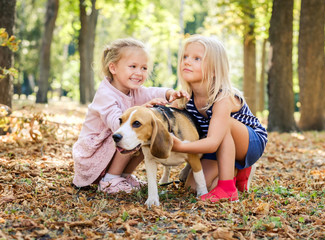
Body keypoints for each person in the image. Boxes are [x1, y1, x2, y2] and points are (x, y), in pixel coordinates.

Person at [73, 38, 189, 194]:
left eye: (144, 68)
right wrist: (141, 110)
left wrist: (170, 93)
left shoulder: (134, 89)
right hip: (93, 154)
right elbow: (117, 124)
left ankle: (124, 176)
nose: (139, 73)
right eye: (133, 66)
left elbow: (152, 92)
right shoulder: (105, 94)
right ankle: (110, 180)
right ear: (113, 68)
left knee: (144, 132)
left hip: (111, 150)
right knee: (132, 130)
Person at [172, 35, 267, 202]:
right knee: (192, 188)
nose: (187, 62)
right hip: (217, 146)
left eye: (197, 58)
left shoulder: (223, 97)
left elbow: (213, 142)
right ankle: (236, 173)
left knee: (226, 125)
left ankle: (228, 187)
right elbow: (166, 117)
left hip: (249, 142)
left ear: (215, 69)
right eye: (185, 57)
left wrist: (180, 146)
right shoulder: (185, 97)